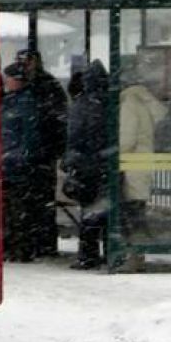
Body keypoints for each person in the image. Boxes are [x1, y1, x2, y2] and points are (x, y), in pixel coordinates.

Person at [16, 49, 68, 258]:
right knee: (38, 200)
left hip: (42, 152)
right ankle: (41, 242)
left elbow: (56, 117)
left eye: (26, 62)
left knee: (40, 199)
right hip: (40, 152)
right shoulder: (45, 85)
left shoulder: (42, 86)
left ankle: (42, 243)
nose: (24, 66)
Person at [61, 60, 110, 269]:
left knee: (89, 212)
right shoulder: (111, 102)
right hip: (108, 164)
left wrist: (70, 161)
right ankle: (110, 252)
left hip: (86, 166)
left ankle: (87, 255)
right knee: (107, 211)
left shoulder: (81, 105)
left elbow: (74, 137)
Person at [119, 58, 167, 256]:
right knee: (137, 208)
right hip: (142, 163)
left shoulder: (129, 102)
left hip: (130, 165)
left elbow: (126, 139)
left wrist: (113, 151)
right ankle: (137, 250)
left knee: (131, 211)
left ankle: (134, 252)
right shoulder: (144, 101)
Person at [1, 61, 40, 262]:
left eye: (8, 77)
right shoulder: (12, 101)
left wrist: (18, 157)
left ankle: (20, 248)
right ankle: (15, 247)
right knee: (13, 209)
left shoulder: (24, 103)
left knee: (17, 209)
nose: (5, 80)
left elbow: (29, 136)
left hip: (15, 165)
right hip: (10, 163)